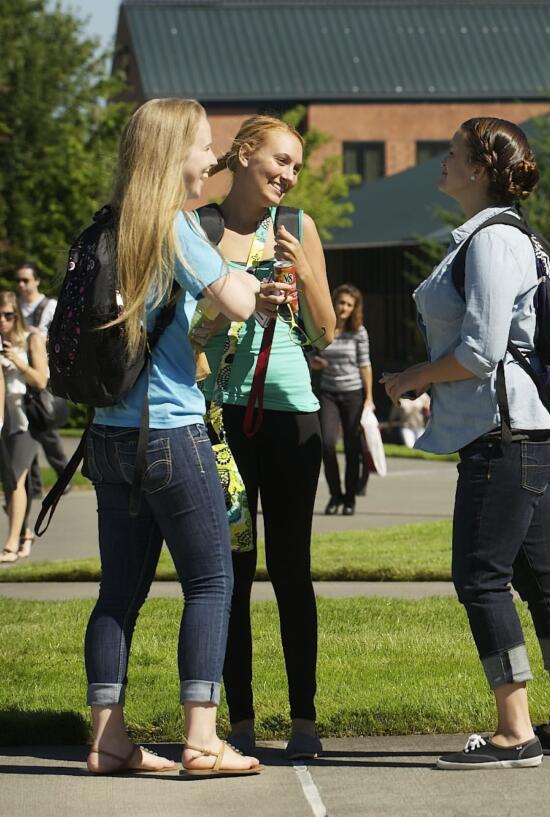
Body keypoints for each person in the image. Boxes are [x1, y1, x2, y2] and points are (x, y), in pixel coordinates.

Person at [382, 117, 550, 770]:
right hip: (521, 432)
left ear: (478, 169)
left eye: (450, 154)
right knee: (537, 572)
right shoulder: (491, 238)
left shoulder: (494, 242)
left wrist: (409, 378)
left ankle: (513, 730)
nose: (441, 163)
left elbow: (480, 350)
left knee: (480, 577)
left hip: (506, 436)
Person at [81, 98, 261, 775]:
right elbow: (237, 302)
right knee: (211, 581)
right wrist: (241, 269)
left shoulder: (108, 225)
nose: (212, 156)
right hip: (170, 428)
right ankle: (203, 738)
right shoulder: (174, 225)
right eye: (204, 144)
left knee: (117, 592)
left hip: (106, 435)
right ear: (171, 153)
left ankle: (108, 737)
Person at [190, 115, 336, 760]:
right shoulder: (200, 228)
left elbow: (327, 332)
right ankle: (240, 720)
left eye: (295, 167)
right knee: (233, 572)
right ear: (245, 155)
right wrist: (240, 301)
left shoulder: (299, 227)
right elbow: (187, 338)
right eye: (279, 160)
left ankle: (304, 718)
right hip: (222, 421)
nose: (288, 175)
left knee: (292, 570)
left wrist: (300, 274)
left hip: (292, 415)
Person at [310, 284, 372, 515]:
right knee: (326, 443)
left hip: (353, 393)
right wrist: (315, 362)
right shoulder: (324, 328)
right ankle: (335, 494)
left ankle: (349, 498)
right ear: (333, 303)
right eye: (341, 303)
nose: (344, 308)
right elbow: (312, 353)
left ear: (354, 308)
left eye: (349, 304)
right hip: (328, 392)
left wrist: (369, 399)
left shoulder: (359, 332)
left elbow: (365, 365)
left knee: (352, 447)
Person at [0, 291, 48, 562]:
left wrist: (16, 361)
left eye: (9, 315)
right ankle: (25, 533)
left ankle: (10, 544)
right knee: (12, 483)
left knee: (16, 478)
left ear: (17, 315)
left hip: (26, 421)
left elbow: (41, 380)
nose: (3, 320)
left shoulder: (31, 339)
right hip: (2, 421)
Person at [14, 262, 70, 495]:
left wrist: (38, 337)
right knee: (25, 431)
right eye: (18, 280)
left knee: (46, 431)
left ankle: (64, 478)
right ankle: (34, 485)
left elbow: (64, 336)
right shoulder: (14, 308)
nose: (21, 285)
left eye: (26, 280)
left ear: (36, 280)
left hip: (41, 375)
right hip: (18, 376)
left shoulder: (49, 306)